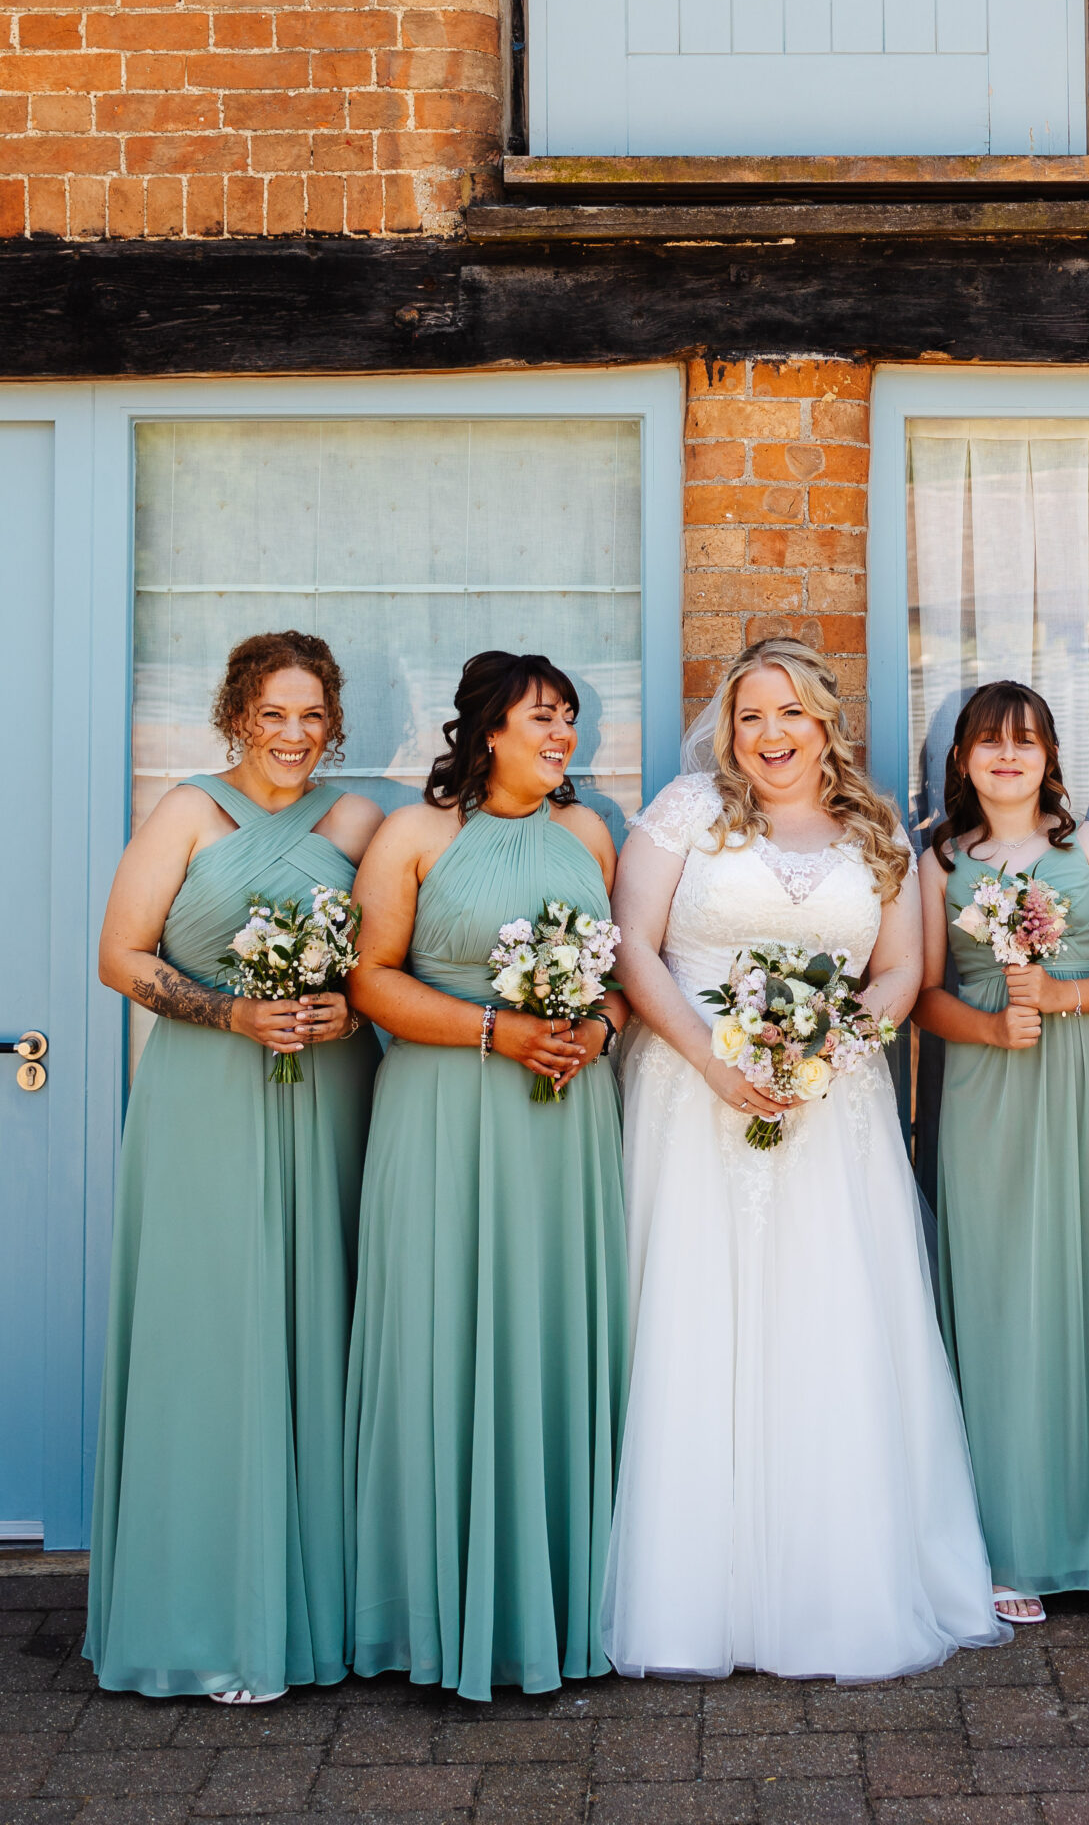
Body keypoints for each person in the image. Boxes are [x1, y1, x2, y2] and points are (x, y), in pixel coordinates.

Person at [602, 637, 1005, 1679]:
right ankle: (690, 1593)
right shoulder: (687, 811)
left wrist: (826, 1049)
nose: (770, 735)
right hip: (692, 1097)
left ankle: (832, 1584)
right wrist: (710, 1057)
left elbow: (903, 970)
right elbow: (635, 945)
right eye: (750, 717)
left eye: (790, 713)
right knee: (697, 1322)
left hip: (836, 1109)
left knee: (825, 1321)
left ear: (825, 720)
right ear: (728, 731)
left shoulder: (879, 833)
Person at [86, 633, 383, 1701]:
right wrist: (231, 1010)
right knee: (209, 1335)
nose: (294, 735)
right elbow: (121, 954)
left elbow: (386, 957)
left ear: (333, 720)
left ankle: (325, 1611)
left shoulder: (360, 820)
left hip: (331, 1095)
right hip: (204, 1099)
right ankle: (208, 1612)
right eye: (273, 715)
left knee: (326, 1326)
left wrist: (354, 1003)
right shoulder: (185, 812)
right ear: (236, 717)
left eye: (312, 716)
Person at [343, 652, 628, 1699]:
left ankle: (558, 1601)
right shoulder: (416, 835)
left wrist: (596, 1028)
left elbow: (626, 976)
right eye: (543, 719)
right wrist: (496, 1030)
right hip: (446, 1110)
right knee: (441, 1330)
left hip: (565, 1120)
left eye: (571, 720)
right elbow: (371, 978)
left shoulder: (592, 832)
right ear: (488, 730)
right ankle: (425, 1605)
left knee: (553, 1328)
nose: (563, 737)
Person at [916, 680, 1089, 1627]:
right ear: (964, 760)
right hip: (986, 1097)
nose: (1006, 757)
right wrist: (985, 1029)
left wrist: (1063, 999)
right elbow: (922, 996)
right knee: (1001, 1301)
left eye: (1024, 741)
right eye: (987, 743)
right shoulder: (939, 862)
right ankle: (1004, 1542)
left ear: (1051, 755)